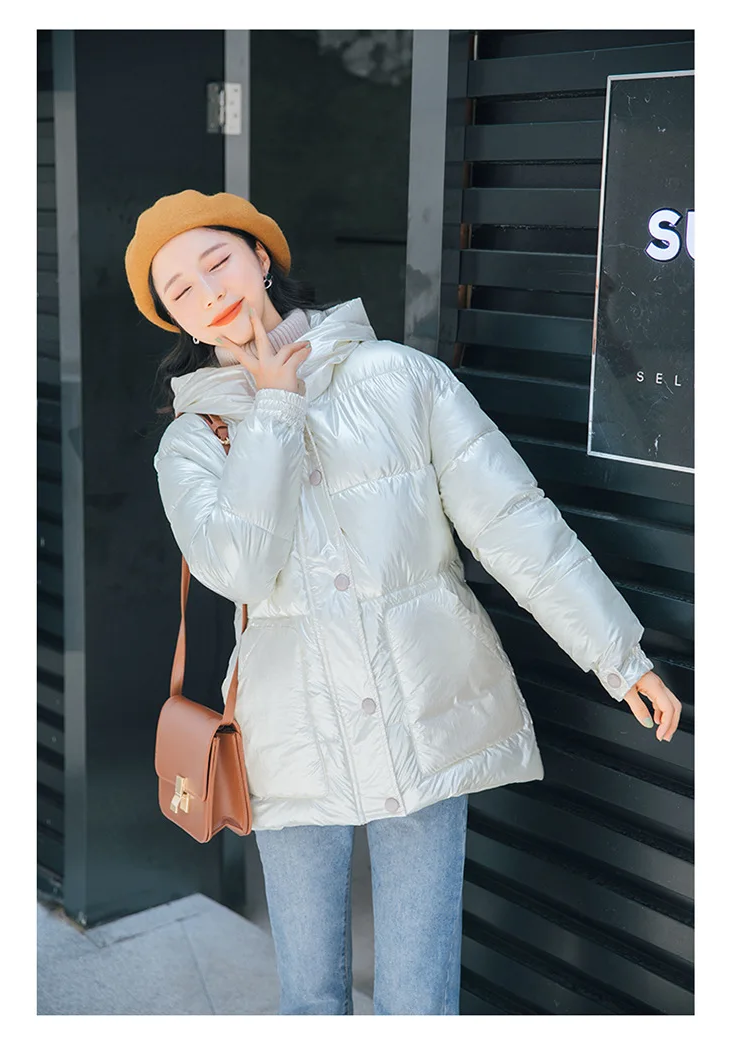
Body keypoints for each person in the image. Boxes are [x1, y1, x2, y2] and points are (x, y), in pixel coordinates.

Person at [124, 189, 682, 1016]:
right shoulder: (191, 444)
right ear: (174, 319)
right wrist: (274, 407)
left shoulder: (400, 377)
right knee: (312, 1000)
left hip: (427, 711)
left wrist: (617, 654)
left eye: (218, 262)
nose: (210, 292)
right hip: (291, 737)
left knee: (420, 1002)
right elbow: (238, 569)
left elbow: (515, 524)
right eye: (181, 290)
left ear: (260, 258)